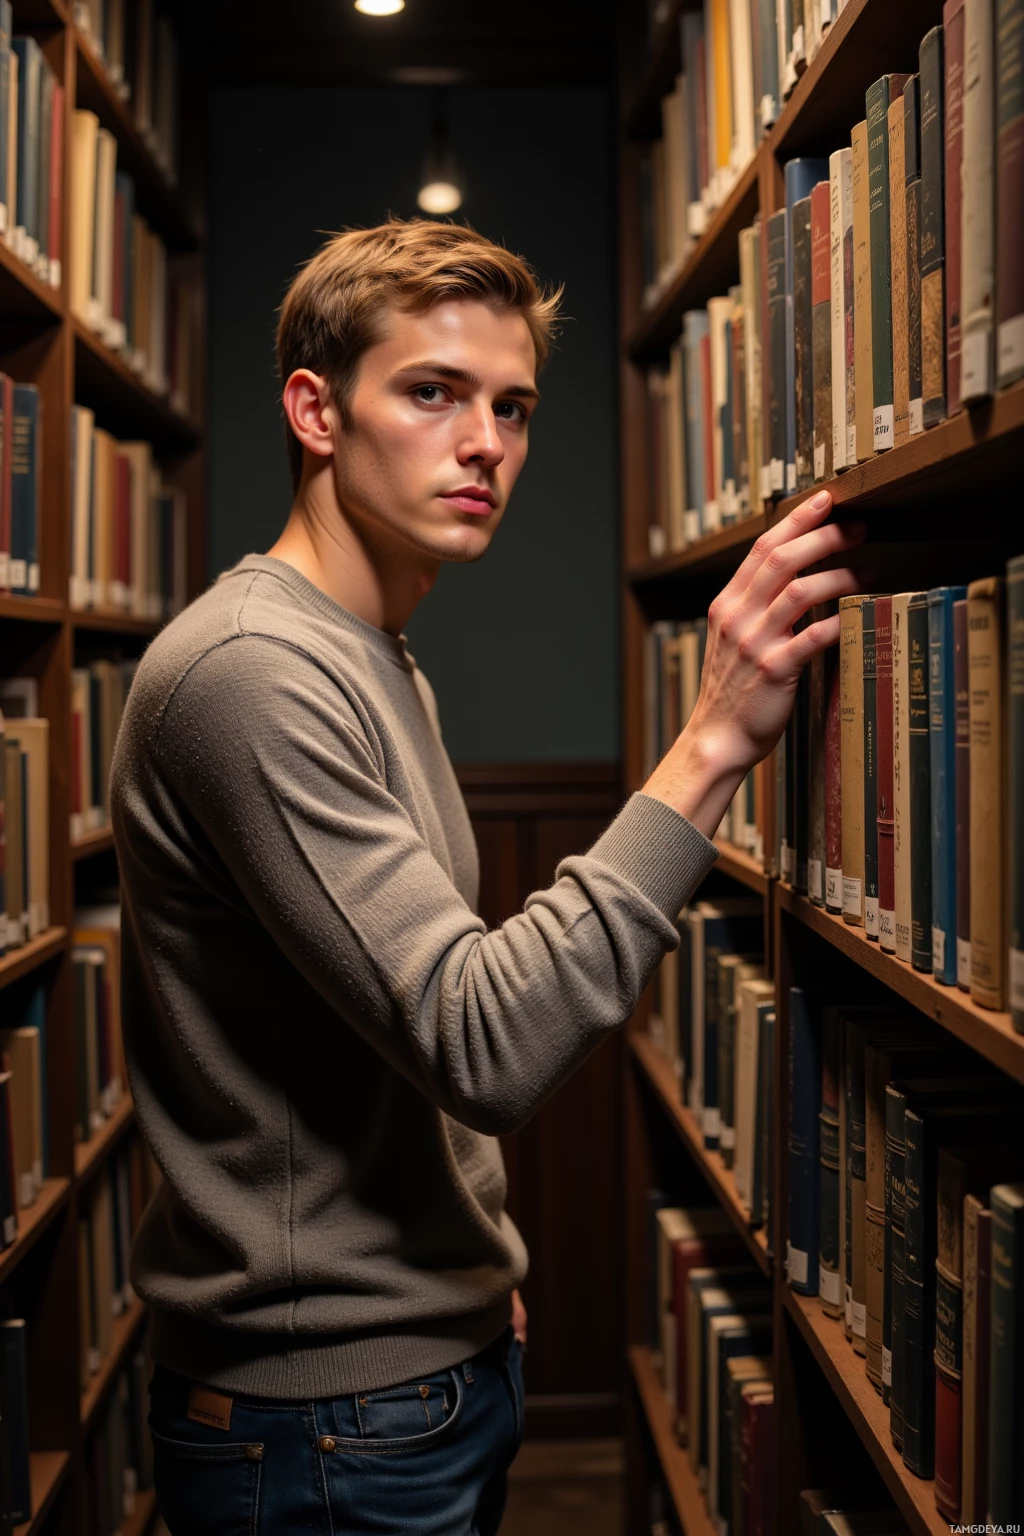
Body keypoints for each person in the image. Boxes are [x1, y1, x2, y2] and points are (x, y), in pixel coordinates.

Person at [111, 218, 863, 1535]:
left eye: (512, 407)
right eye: (432, 393)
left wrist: (455, 1279)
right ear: (316, 411)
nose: (487, 445)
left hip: (405, 1376)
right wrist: (713, 739)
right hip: (325, 1426)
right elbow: (482, 1038)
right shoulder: (252, 673)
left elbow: (390, 1014)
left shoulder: (373, 654)